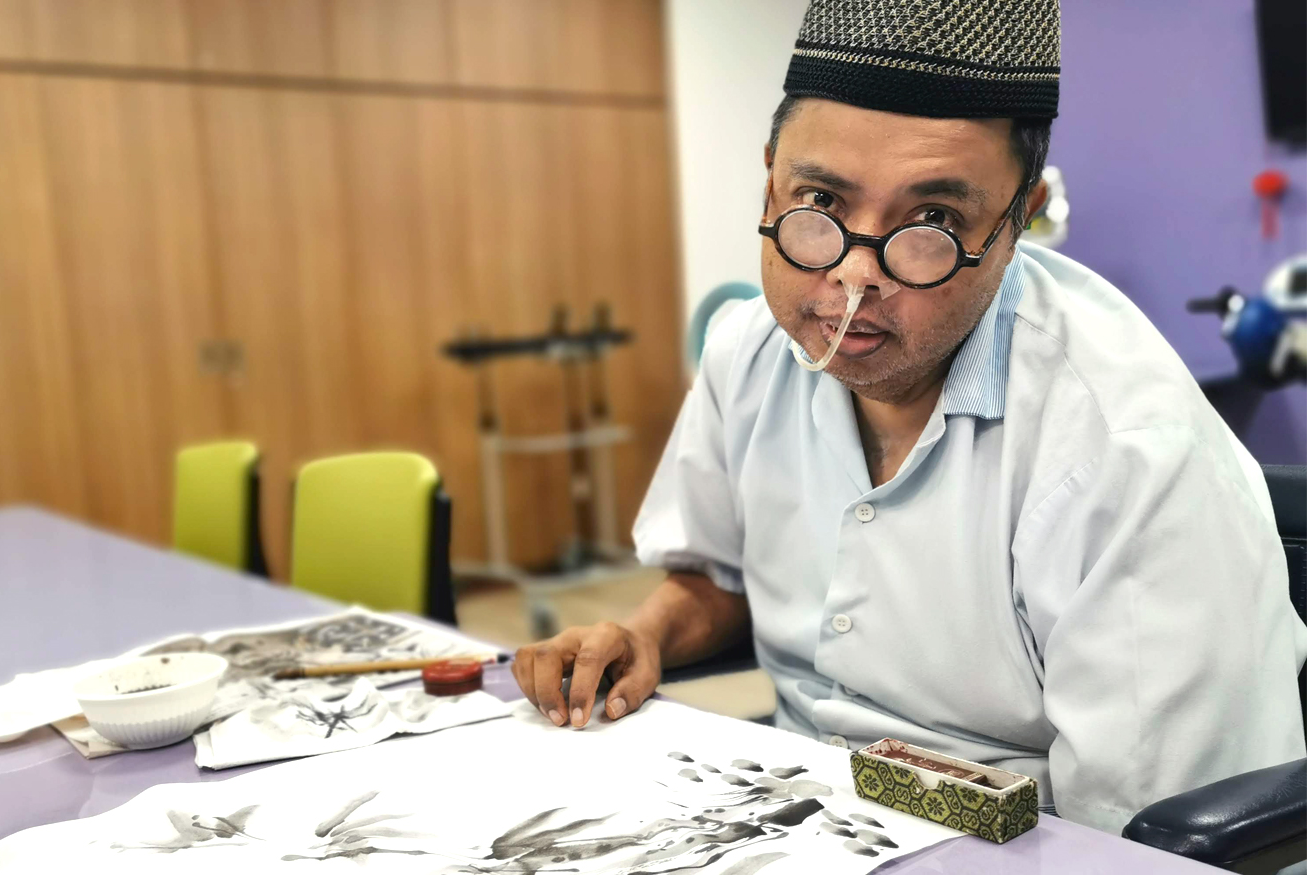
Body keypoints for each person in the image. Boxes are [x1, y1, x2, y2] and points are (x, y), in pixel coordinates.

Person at [510, 0, 1307, 833]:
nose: (853, 278)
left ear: (1015, 224)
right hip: (793, 816)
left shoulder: (1125, 448)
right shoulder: (748, 350)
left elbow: (1154, 840)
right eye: (819, 199)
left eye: (932, 222)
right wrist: (647, 635)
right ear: (770, 178)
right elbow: (716, 576)